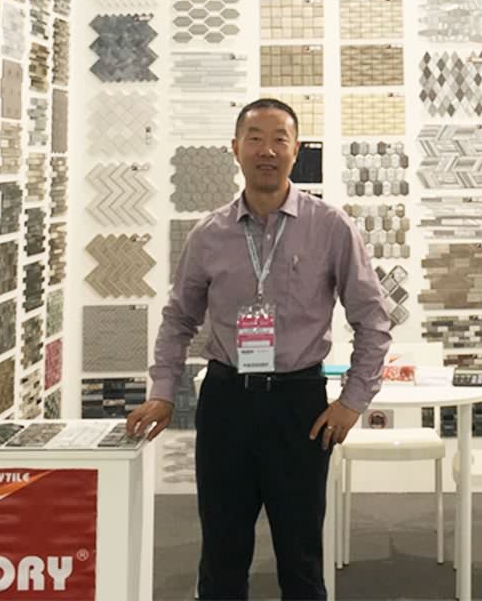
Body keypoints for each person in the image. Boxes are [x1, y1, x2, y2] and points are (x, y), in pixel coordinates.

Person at [126, 98, 392, 601]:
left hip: (300, 406)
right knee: (221, 554)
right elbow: (178, 319)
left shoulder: (330, 226)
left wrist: (353, 401)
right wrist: (161, 392)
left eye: (278, 140)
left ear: (296, 150)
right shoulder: (209, 234)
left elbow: (373, 320)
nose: (266, 150)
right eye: (254, 139)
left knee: (301, 558)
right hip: (227, 402)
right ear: (235, 148)